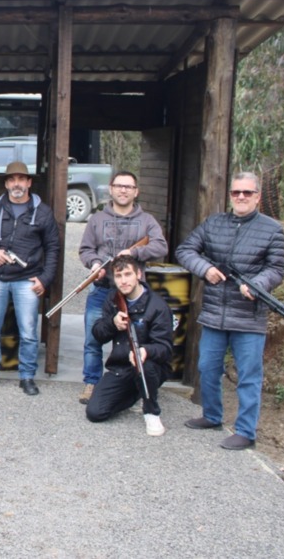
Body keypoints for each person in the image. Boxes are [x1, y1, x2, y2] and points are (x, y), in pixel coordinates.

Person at [176, 172, 284, 450]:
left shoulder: (272, 229)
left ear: (257, 197)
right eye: (236, 192)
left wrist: (258, 285)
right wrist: (206, 269)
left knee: (249, 375)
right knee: (207, 368)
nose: (240, 197)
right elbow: (186, 250)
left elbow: (276, 269)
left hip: (249, 316)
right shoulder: (214, 223)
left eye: (247, 193)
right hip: (215, 313)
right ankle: (212, 416)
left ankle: (246, 432)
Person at [77, 170, 168, 405]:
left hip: (134, 294)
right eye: (119, 186)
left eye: (128, 186)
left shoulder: (147, 220)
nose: (123, 190)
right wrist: (95, 263)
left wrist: (135, 252)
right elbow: (86, 249)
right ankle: (92, 382)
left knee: (135, 339)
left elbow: (161, 247)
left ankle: (132, 383)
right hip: (101, 288)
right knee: (93, 338)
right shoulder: (97, 219)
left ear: (136, 191)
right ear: (111, 189)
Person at [0, 161, 60, 395]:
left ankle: (27, 376)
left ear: (29, 182)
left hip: (27, 280)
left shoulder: (43, 212)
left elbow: (53, 248)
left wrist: (45, 278)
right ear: (6, 183)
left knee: (29, 332)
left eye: (21, 179)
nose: (17, 184)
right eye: (12, 179)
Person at [85, 255, 173, 436]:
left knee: (145, 364)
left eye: (128, 274)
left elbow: (165, 348)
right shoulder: (112, 299)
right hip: (121, 367)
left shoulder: (158, 306)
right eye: (119, 276)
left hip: (151, 365)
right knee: (95, 412)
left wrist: (145, 351)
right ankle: (136, 393)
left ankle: (151, 411)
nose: (124, 281)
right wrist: (112, 323)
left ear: (138, 274)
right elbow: (98, 335)